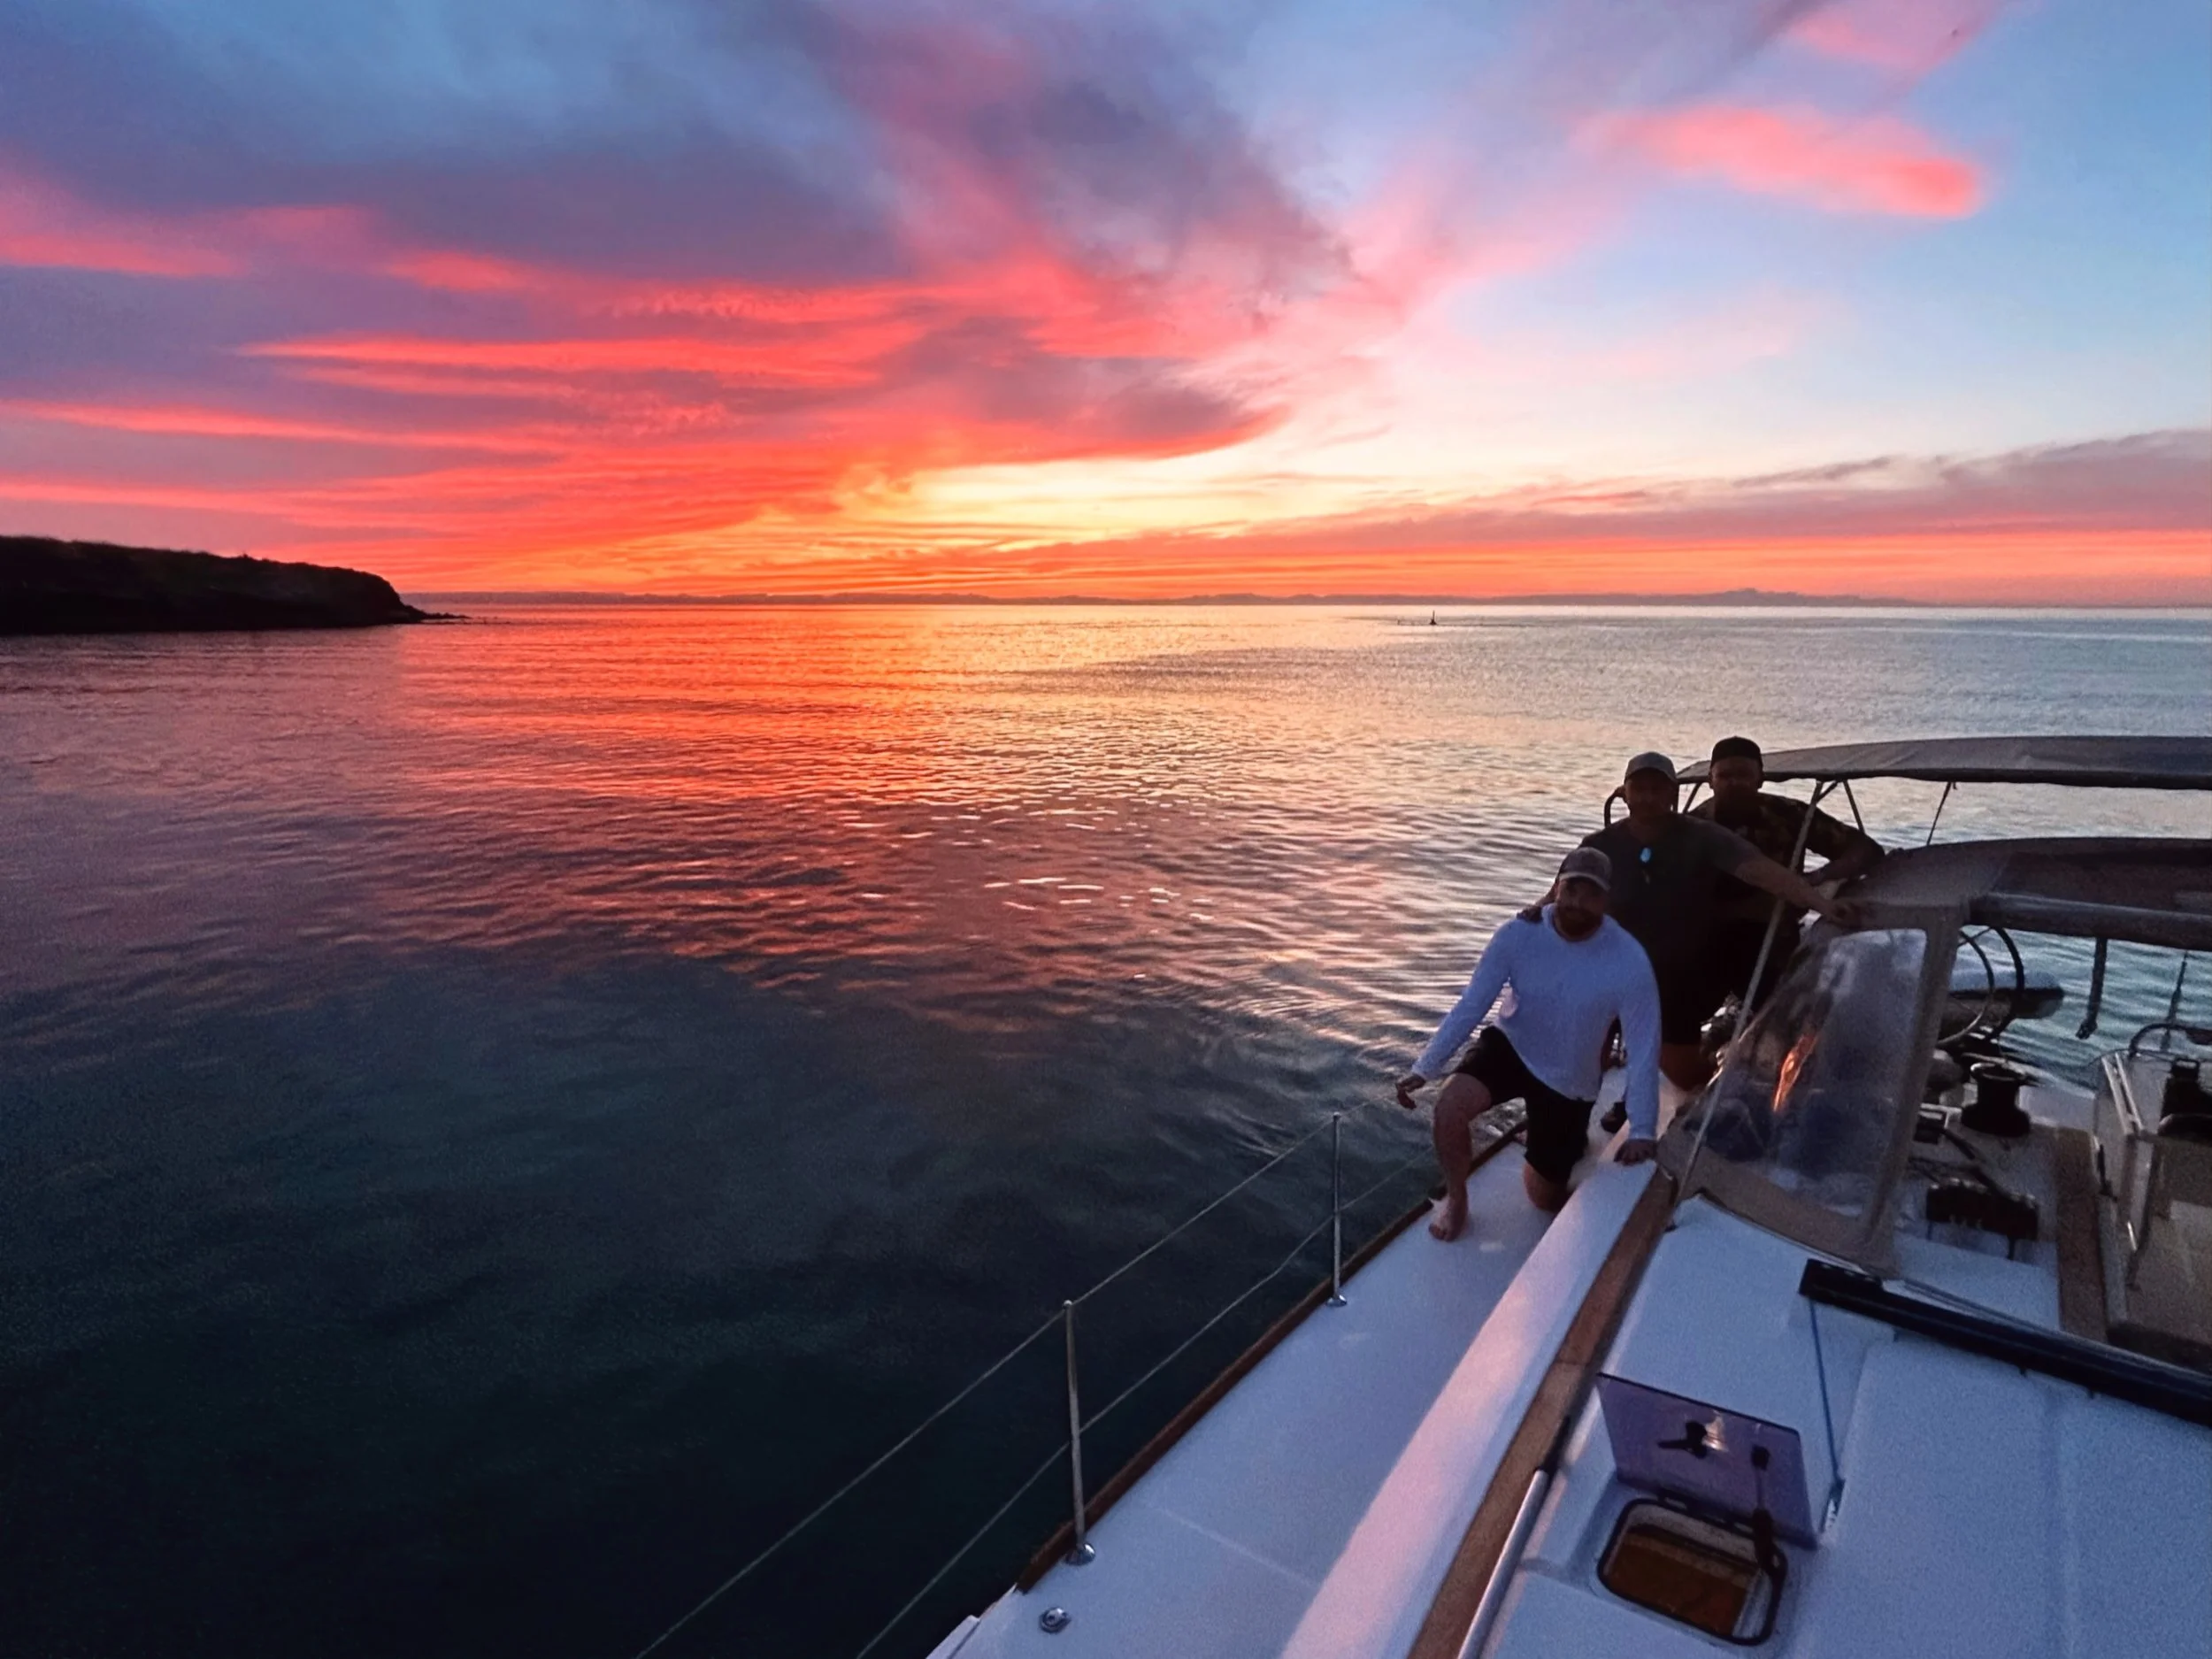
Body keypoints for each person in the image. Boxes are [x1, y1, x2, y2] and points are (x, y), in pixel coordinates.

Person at [1395, 847, 1663, 1241]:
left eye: (1591, 895)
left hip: (1571, 1076)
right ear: (1555, 888)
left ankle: (1559, 1144)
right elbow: (1472, 1004)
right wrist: (1425, 1067)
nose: (1578, 903)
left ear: (1606, 902)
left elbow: (1643, 1044)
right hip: (1511, 1045)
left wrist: (1642, 1127)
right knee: (1449, 1108)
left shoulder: (1628, 959)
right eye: (1571, 889)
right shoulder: (1518, 933)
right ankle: (1457, 1199)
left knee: (1543, 1199)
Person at [1579, 752, 1851, 1093]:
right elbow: (1562, 896)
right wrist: (1536, 913)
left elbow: (1764, 872)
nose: (1649, 798)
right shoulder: (1598, 845)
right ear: (1624, 793)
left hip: (1675, 976)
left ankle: (1726, 1085)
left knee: (1685, 1076)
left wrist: (1821, 904)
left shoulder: (1702, 836)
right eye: (1640, 789)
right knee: (1586, 1051)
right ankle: (1575, 1113)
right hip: (1612, 968)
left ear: (1673, 795)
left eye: (1658, 789)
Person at [1688, 735, 1885, 1009]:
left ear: (1760, 778)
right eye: (1725, 775)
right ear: (1710, 779)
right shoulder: (1691, 825)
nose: (1734, 783)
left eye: (1744, 774)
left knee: (1782, 1016)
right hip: (1706, 939)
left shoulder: (1787, 815)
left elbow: (1865, 850)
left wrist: (1817, 878)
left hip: (1773, 938)